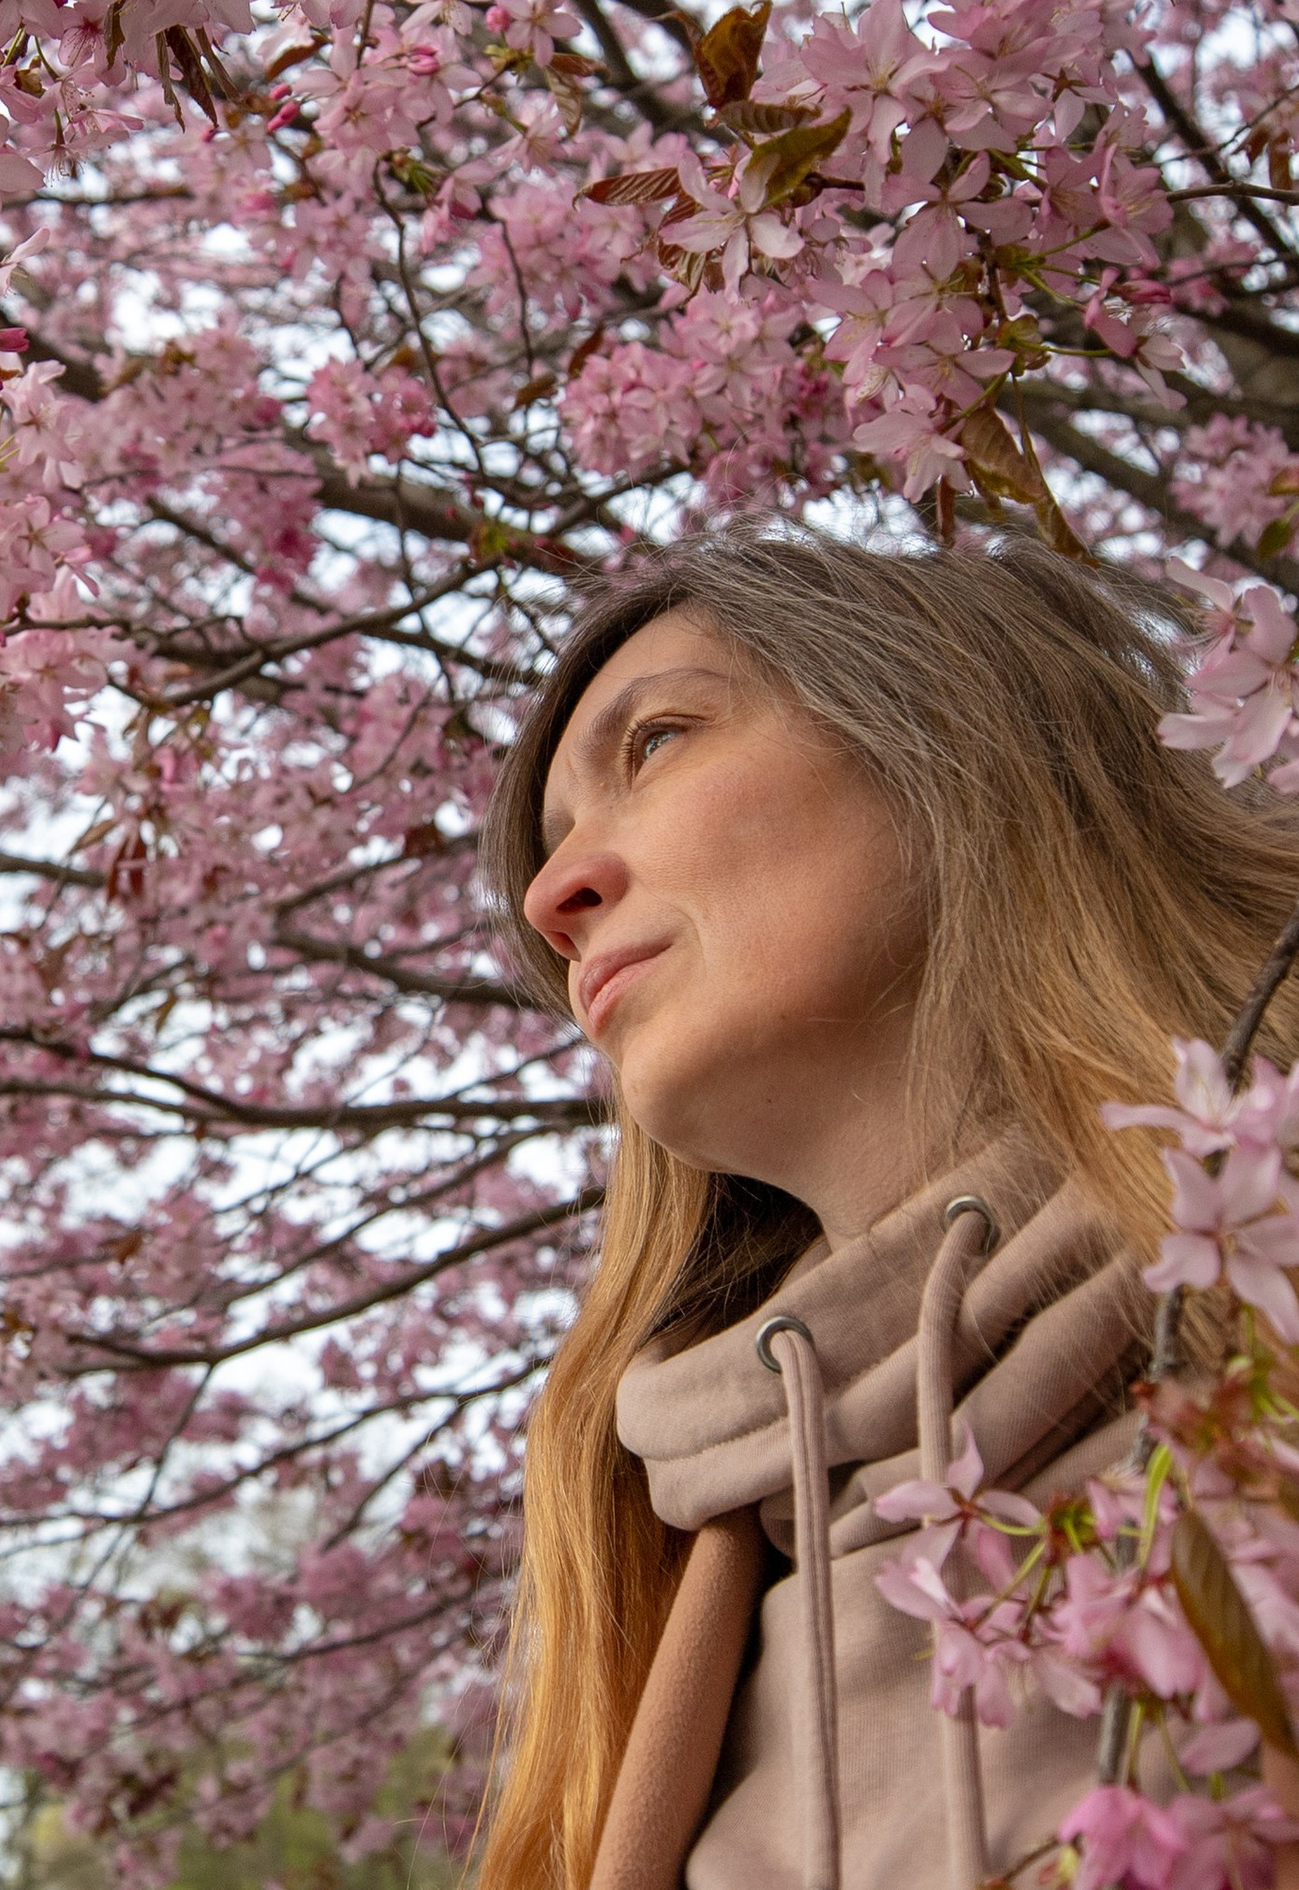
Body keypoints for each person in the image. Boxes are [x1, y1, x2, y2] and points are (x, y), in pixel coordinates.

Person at [472, 524, 1299, 1890]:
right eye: (552, 850)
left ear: (957, 733)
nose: (554, 901)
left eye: (657, 741)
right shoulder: (666, 1615)